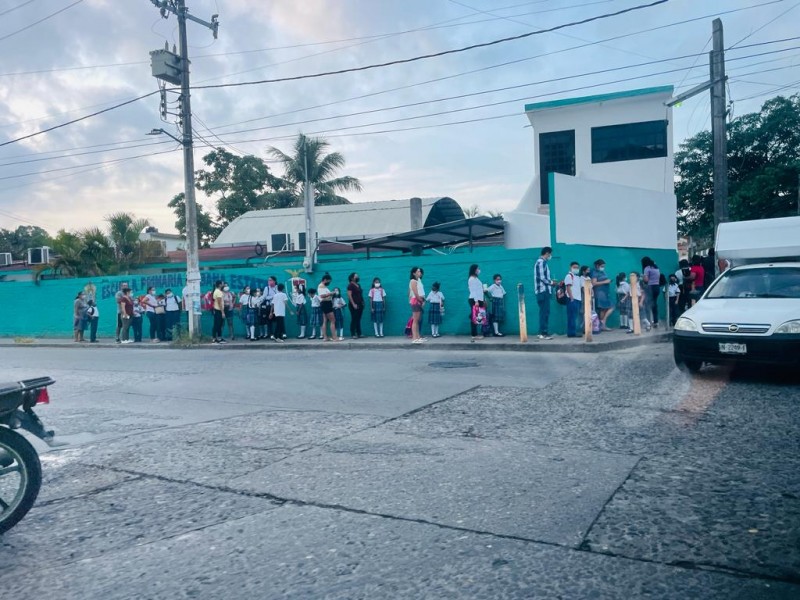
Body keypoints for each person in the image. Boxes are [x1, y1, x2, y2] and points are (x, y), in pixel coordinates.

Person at [534, 246, 555, 340]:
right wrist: (551, 282)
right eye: (550, 254)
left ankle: (542, 332)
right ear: (547, 253)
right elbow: (542, 278)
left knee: (544, 312)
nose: (550, 256)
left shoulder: (542, 263)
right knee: (544, 312)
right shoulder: (541, 262)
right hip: (543, 291)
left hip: (544, 291)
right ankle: (543, 333)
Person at [590, 259, 614, 331]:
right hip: (599, 293)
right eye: (602, 266)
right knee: (610, 307)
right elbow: (593, 283)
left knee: (603, 309)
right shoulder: (595, 273)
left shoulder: (602, 272)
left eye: (604, 266)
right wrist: (605, 281)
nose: (603, 267)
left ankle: (602, 325)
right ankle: (603, 322)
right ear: (597, 266)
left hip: (605, 292)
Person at [467, 264, 485, 341]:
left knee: (476, 316)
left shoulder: (476, 278)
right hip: (474, 300)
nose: (479, 270)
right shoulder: (471, 279)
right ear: (474, 270)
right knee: (475, 317)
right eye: (478, 269)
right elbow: (473, 291)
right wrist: (476, 301)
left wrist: (483, 300)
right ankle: (474, 335)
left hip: (479, 299)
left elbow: (479, 290)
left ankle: (470, 316)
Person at [642, 257, 661, 329]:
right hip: (657, 287)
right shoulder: (656, 268)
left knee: (647, 304)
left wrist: (643, 278)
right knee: (654, 304)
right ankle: (656, 322)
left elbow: (646, 280)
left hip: (650, 287)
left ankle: (648, 322)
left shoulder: (647, 268)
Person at [564, 262, 582, 338]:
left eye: (577, 267)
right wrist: (571, 298)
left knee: (575, 316)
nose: (576, 269)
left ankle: (574, 331)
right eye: (574, 267)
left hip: (577, 299)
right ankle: (571, 333)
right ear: (570, 267)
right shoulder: (569, 276)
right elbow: (568, 287)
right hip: (572, 299)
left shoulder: (577, 277)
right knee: (572, 316)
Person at [316, 273, 336, 342]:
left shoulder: (323, 286)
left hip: (325, 304)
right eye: (328, 281)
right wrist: (331, 293)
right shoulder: (321, 286)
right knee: (333, 320)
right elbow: (322, 296)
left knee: (325, 321)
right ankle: (334, 337)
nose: (329, 283)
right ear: (325, 280)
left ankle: (325, 337)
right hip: (326, 304)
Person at [408, 266, 426, 344]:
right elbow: (415, 293)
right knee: (415, 320)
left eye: (420, 271)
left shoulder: (418, 281)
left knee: (418, 320)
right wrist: (420, 300)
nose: (420, 273)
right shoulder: (413, 281)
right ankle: (414, 338)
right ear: (414, 273)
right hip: (416, 300)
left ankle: (418, 337)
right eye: (418, 271)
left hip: (419, 300)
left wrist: (422, 300)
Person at [347, 272, 365, 339]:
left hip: (360, 304)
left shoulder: (358, 285)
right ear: (352, 278)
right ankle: (353, 333)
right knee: (354, 319)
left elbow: (360, 294)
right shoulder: (350, 285)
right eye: (356, 276)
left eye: (357, 276)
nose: (357, 277)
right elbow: (349, 295)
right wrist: (353, 304)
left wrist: (362, 302)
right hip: (354, 305)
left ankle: (359, 333)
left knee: (358, 319)